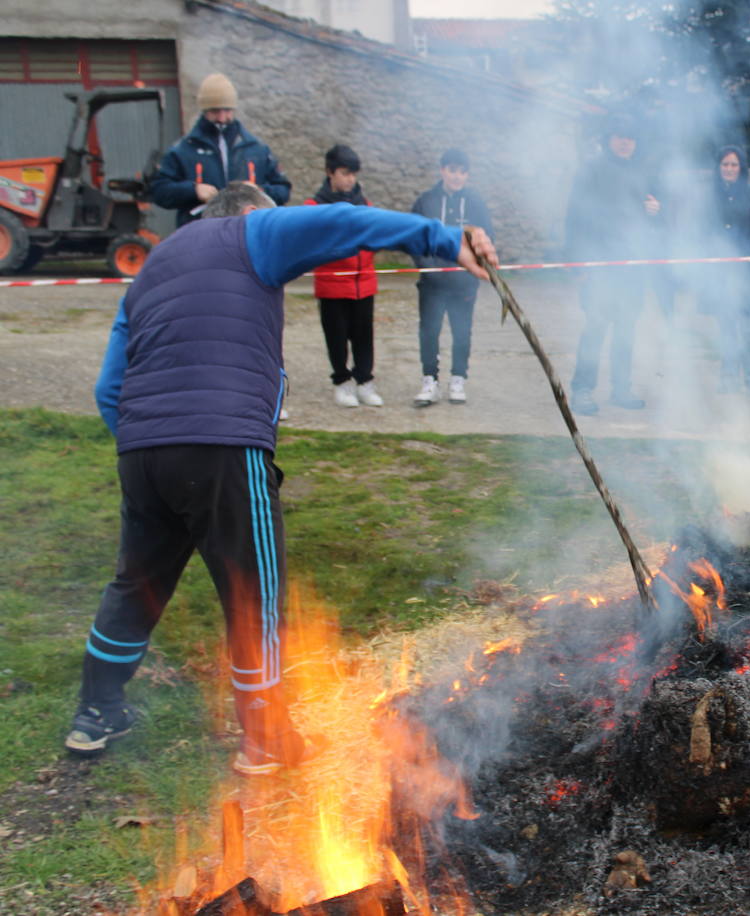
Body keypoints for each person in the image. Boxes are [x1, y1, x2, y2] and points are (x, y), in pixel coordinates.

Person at [70, 182, 496, 775]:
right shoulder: (253, 230)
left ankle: (95, 712)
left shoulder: (153, 265)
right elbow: (347, 221)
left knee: (135, 583)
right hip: (224, 444)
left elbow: (107, 388)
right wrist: (447, 238)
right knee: (255, 595)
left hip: (141, 451)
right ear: (250, 214)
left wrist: (150, 443)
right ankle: (266, 739)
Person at [565, 116, 661, 416]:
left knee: (626, 331)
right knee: (595, 329)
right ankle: (582, 389)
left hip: (632, 270)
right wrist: (578, 265)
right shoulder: (591, 170)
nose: (625, 141)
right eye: (620, 136)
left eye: (630, 137)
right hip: (599, 269)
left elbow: (651, 220)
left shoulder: (642, 171)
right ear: (610, 138)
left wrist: (655, 211)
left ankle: (621, 388)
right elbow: (574, 218)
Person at [149, 73, 291, 227]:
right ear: (204, 110)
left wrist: (259, 190)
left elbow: (283, 190)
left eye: (227, 110)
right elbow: (159, 191)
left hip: (248, 232)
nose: (222, 118)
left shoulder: (256, 148)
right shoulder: (183, 150)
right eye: (215, 111)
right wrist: (193, 190)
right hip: (202, 232)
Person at [410, 148, 494, 408]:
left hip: (463, 282)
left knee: (462, 331)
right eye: (452, 170)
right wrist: (428, 268)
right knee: (429, 331)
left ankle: (458, 379)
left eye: (462, 171)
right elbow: (415, 237)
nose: (457, 176)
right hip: (432, 283)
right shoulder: (425, 201)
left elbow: (485, 237)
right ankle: (429, 381)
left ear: (467, 175)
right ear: (442, 170)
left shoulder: (476, 204)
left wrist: (474, 267)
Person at [305, 145, 383, 408]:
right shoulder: (313, 206)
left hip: (364, 284)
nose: (350, 179)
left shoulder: (366, 204)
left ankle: (365, 381)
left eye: (354, 174)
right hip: (332, 286)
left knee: (364, 337)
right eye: (344, 173)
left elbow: (375, 237)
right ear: (330, 173)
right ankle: (341, 382)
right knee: (336, 338)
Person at [702, 145, 750, 397]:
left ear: (741, 168)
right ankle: (729, 380)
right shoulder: (710, 197)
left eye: (734, 165)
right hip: (719, 274)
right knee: (727, 330)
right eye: (725, 165)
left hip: (747, 273)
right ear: (718, 168)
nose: (729, 169)